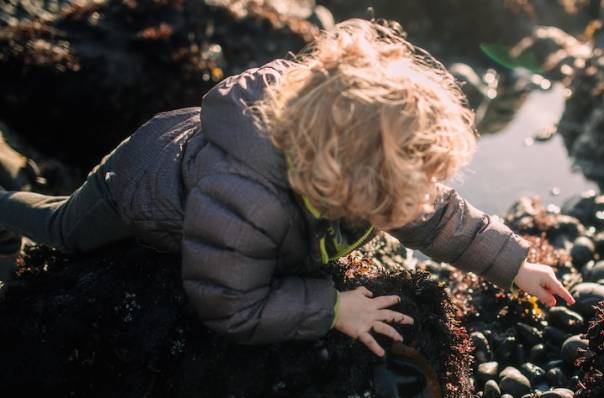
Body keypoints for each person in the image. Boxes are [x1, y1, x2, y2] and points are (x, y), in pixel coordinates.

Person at [0, 18, 573, 357]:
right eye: (402, 186)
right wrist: (330, 308)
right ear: (345, 180)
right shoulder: (246, 201)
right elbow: (227, 303)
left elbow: (434, 213)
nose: (417, 199)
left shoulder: (358, 166)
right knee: (61, 231)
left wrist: (515, 263)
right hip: (135, 181)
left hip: (203, 151)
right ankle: (6, 206)